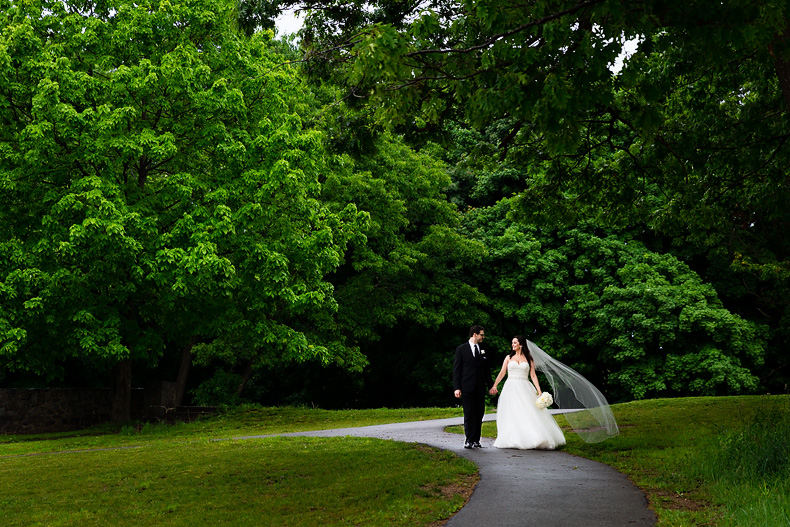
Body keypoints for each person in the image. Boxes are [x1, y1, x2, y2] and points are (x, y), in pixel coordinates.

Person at [489, 335, 566, 450]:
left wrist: (539, 390)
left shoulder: (529, 359)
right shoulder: (508, 358)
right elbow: (502, 372)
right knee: (512, 412)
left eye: (514, 343)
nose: (512, 345)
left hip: (525, 386)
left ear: (521, 344)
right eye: (512, 342)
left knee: (527, 411)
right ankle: (513, 438)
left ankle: (532, 436)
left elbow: (533, 375)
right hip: (511, 387)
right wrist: (495, 385)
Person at [453, 325, 491, 449]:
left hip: (480, 387)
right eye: (481, 334)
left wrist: (491, 386)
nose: (483, 337)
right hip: (467, 387)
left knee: (479, 413)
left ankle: (476, 439)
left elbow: (486, 370)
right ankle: (468, 439)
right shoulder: (461, 349)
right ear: (474, 334)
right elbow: (457, 370)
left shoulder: (483, 349)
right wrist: (457, 387)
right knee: (469, 413)